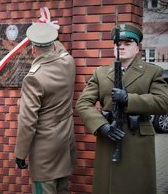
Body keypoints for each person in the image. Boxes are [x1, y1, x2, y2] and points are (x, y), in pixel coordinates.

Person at [76, 23, 168, 194]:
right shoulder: (101, 73)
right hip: (109, 135)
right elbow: (83, 103)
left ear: (137, 48)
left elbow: (163, 101)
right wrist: (101, 126)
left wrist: (129, 99)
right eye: (118, 44)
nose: (122, 47)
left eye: (128, 44)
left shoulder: (152, 72)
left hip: (137, 138)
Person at [14, 23, 77, 193]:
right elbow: (61, 49)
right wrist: (49, 30)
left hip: (45, 151)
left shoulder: (34, 78)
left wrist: (20, 153)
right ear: (53, 44)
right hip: (65, 143)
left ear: (33, 49)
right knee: (63, 189)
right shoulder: (68, 62)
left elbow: (28, 121)